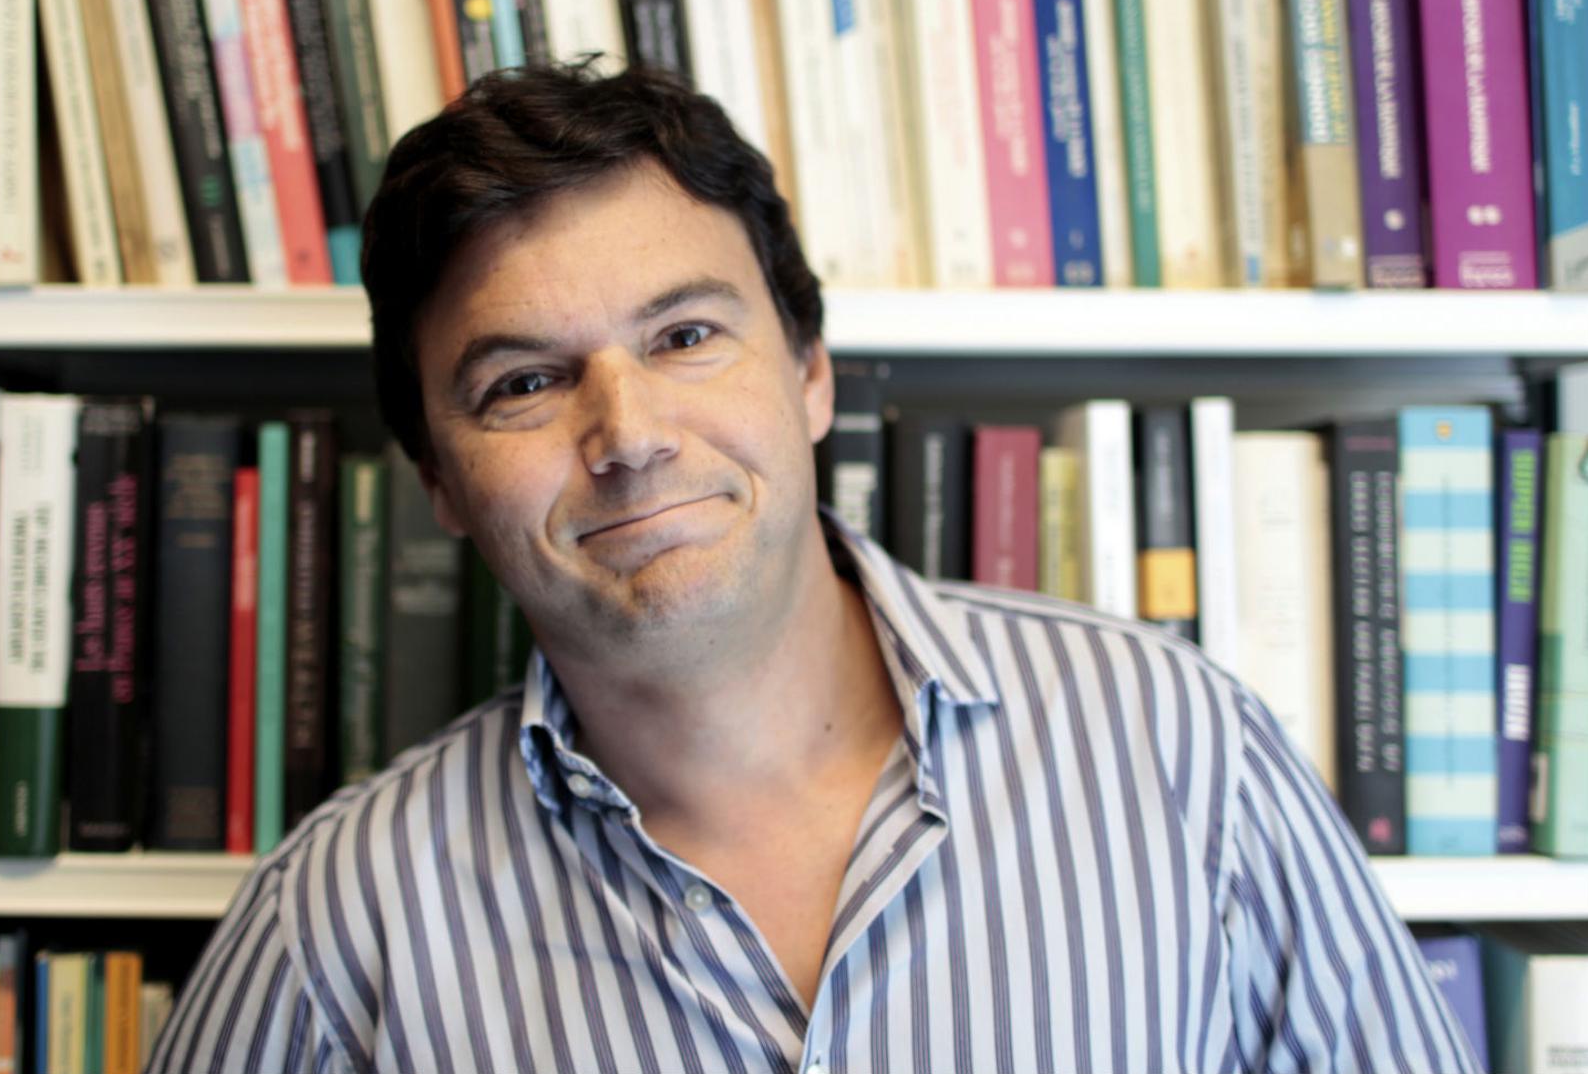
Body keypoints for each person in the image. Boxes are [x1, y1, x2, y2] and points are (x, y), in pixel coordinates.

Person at [149, 63, 1480, 1074]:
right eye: (525, 383)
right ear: (438, 482)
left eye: (684, 336)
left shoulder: (1182, 752)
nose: (629, 436)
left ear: (810, 375)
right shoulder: (339, 927)